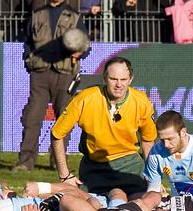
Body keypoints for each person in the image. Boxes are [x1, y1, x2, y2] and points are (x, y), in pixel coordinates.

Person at [50, 56, 157, 197]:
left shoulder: (141, 101)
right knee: (83, 205)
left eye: (123, 79)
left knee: (142, 203)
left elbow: (148, 141)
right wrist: (64, 175)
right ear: (105, 78)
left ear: (130, 80)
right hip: (94, 168)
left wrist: (153, 179)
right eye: (113, 79)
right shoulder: (85, 98)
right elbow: (57, 134)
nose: (119, 84)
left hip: (130, 167)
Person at [16, 0, 87, 172]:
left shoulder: (75, 17)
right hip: (40, 73)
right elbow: (28, 41)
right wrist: (29, 59)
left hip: (65, 73)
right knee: (32, 118)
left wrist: (79, 53)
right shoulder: (37, 14)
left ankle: (58, 162)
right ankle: (25, 161)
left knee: (63, 120)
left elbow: (85, 44)